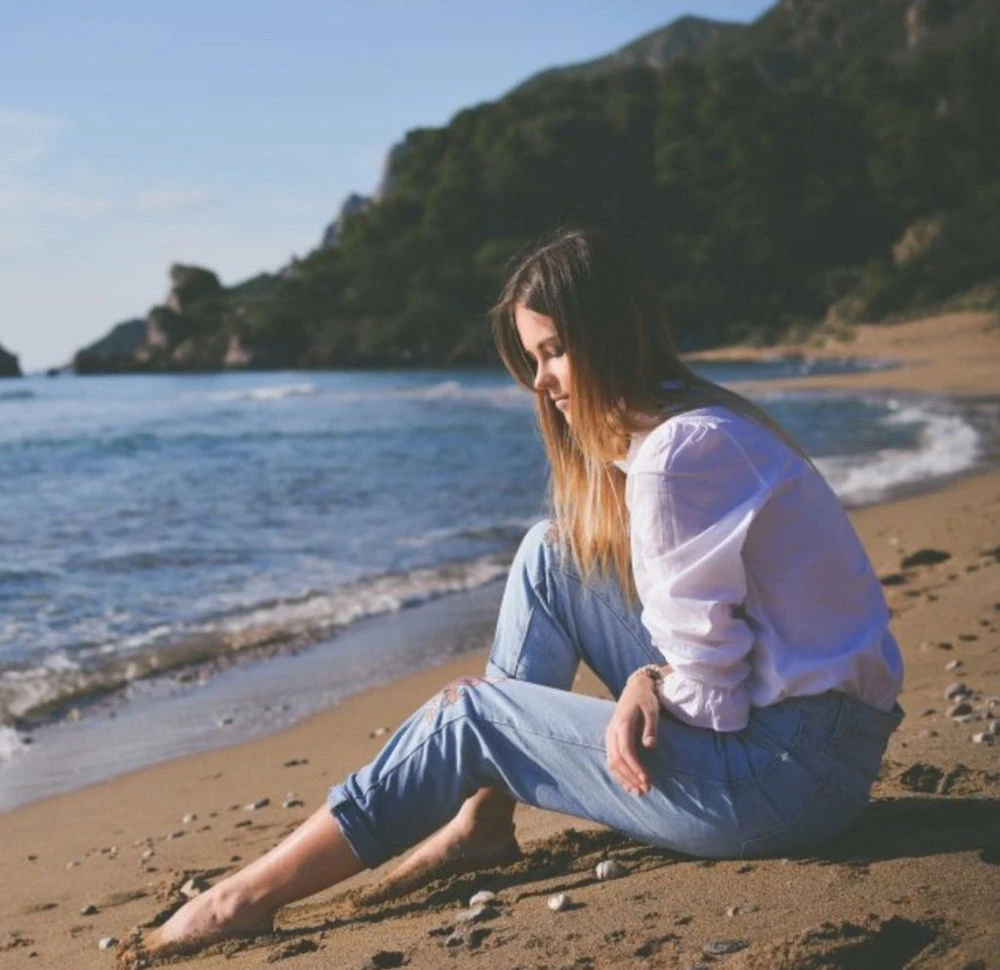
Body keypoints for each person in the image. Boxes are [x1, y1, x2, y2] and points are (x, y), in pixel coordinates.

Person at [123, 227, 903, 960]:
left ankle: (243, 897)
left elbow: (714, 701)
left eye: (557, 351)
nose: (541, 380)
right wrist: (653, 680)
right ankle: (482, 822)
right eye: (534, 356)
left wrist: (650, 681)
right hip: (817, 749)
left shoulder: (676, 458)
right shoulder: (702, 426)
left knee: (471, 717)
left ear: (612, 335)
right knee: (550, 553)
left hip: (783, 782)